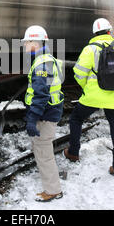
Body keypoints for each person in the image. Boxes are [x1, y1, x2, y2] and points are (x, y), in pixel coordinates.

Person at [63, 18, 114, 178]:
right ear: (110, 31)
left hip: (92, 96)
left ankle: (73, 152)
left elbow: (79, 72)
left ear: (95, 33)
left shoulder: (90, 49)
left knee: (76, 119)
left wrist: (87, 87)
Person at [22, 25, 64, 202]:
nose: (24, 46)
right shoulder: (47, 59)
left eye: (26, 42)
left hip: (45, 116)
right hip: (50, 113)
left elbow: (41, 95)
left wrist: (32, 119)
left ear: (34, 42)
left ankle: (53, 190)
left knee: (44, 153)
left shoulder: (41, 64)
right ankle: (52, 187)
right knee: (42, 150)